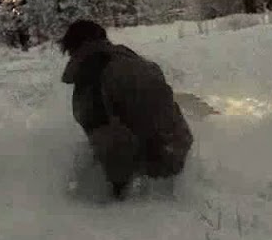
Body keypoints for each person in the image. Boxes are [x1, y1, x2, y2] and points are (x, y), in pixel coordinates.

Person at [59, 19, 193, 201]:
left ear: (76, 47)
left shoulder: (94, 71)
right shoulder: (133, 61)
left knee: (87, 163)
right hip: (178, 148)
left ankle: (113, 209)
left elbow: (98, 129)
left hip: (155, 160)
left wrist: (109, 193)